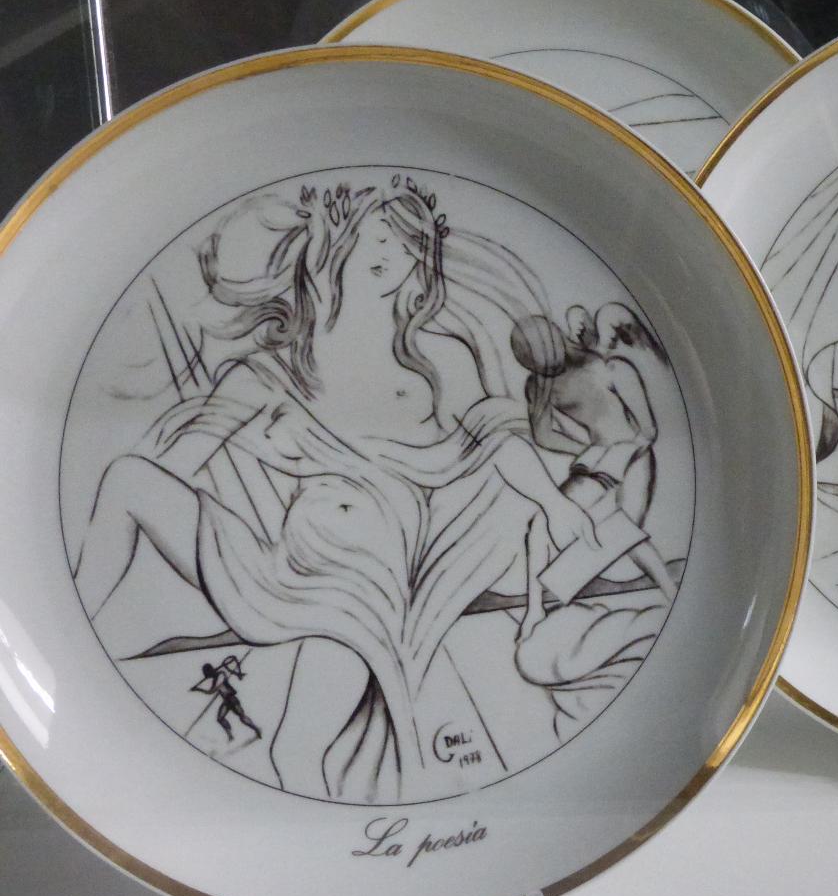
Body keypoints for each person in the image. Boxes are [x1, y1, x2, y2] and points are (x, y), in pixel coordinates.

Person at [72, 176, 598, 802]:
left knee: (297, 752)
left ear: (421, 262)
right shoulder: (272, 369)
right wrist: (257, 453)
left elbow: (496, 438)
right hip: (276, 566)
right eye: (377, 236)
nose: (390, 253)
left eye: (407, 242)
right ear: (335, 246)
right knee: (127, 479)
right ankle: (72, 628)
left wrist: (554, 501)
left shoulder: (437, 359)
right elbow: (180, 462)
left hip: (362, 587)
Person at [510, 314, 678, 602]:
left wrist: (618, 455)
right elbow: (544, 436)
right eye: (536, 363)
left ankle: (670, 591)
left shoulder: (609, 367)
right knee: (541, 522)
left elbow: (648, 431)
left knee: (621, 530)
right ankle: (534, 610)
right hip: (597, 459)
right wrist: (584, 451)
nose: (546, 369)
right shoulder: (538, 386)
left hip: (634, 455)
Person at [192, 658, 262, 742]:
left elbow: (211, 691)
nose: (207, 676)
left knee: (242, 716)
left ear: (210, 671)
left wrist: (198, 689)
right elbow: (210, 691)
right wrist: (198, 689)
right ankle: (230, 736)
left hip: (232, 699)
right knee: (220, 718)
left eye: (207, 674)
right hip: (226, 701)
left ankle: (256, 729)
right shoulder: (214, 680)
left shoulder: (221, 674)